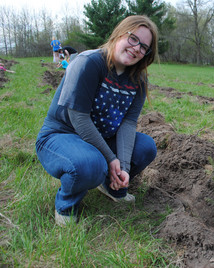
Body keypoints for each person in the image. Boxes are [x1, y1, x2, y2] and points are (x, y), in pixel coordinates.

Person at [36, 15, 159, 226]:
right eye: (133, 39)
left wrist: (124, 167)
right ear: (120, 33)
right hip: (62, 136)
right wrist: (111, 159)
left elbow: (128, 123)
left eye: (144, 47)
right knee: (91, 163)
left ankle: (111, 186)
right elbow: (79, 119)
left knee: (146, 147)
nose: (137, 48)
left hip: (101, 137)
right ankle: (66, 205)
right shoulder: (89, 63)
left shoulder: (138, 79)